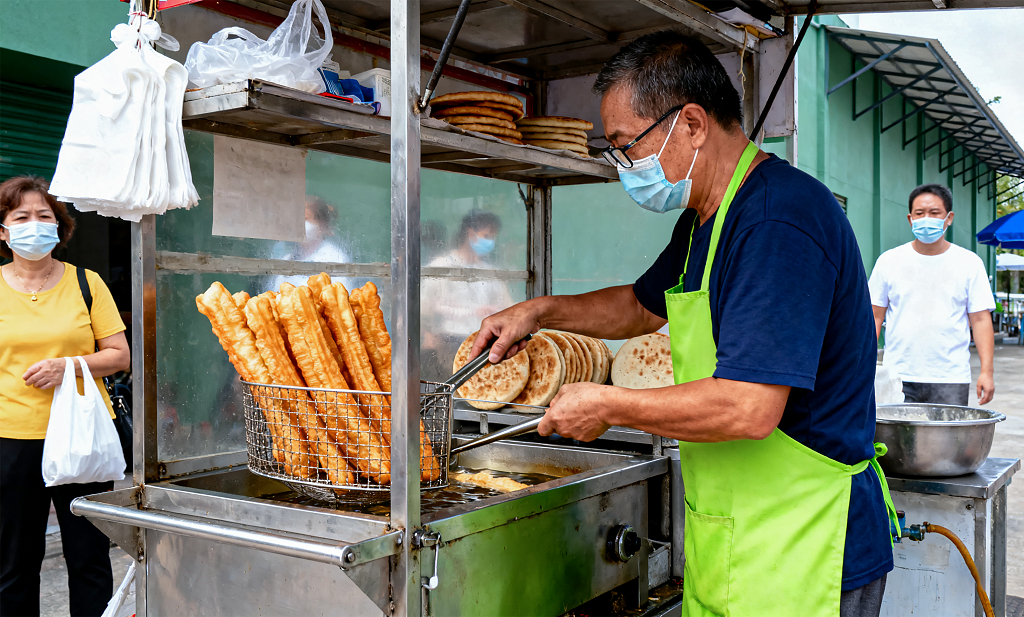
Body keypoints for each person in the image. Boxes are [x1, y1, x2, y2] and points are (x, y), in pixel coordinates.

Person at [471, 32, 894, 617]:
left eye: (627, 146)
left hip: (809, 547)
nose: (625, 166)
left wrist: (607, 404)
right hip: (738, 532)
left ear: (691, 124)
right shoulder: (705, 218)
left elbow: (749, 407)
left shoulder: (777, 223)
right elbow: (642, 306)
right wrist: (539, 310)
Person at [0, 176, 130, 617]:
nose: (33, 225)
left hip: (82, 436)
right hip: (10, 441)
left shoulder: (86, 282)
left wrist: (68, 366)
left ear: (59, 227)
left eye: (44, 216)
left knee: (89, 558)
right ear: (3, 230)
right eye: (21, 217)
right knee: (13, 564)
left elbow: (119, 355)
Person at [868, 184, 996, 406]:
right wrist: (864, 365)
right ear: (910, 219)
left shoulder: (969, 263)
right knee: (894, 441)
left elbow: (981, 320)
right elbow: (874, 316)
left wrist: (987, 371)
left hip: (950, 377)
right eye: (919, 213)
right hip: (898, 375)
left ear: (949, 218)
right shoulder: (889, 261)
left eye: (934, 213)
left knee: (948, 441)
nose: (926, 219)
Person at [421, 210, 513, 380]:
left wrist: (495, 311)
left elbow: (509, 308)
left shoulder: (490, 272)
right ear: (470, 232)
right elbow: (423, 310)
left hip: (484, 345)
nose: (490, 241)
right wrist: (430, 338)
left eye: (493, 237)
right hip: (447, 346)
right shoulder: (441, 266)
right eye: (486, 235)